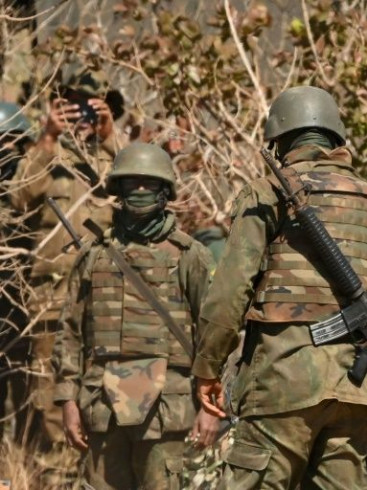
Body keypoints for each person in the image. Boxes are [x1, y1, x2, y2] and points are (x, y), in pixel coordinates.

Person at [192, 85, 367, 489]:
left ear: (279, 141)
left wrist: (208, 367)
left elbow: (229, 292)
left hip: (280, 383)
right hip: (354, 392)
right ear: (336, 138)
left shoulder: (267, 193)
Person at [52, 142, 218, 489]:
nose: (140, 190)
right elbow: (69, 332)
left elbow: (216, 339)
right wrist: (67, 399)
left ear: (165, 191)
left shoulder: (190, 256)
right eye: (131, 183)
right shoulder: (94, 256)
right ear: (118, 189)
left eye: (149, 183)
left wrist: (211, 409)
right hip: (103, 406)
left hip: (167, 409)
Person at [8, 68, 124, 483]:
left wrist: (111, 137)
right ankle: (57, 478)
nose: (82, 115)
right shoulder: (46, 155)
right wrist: (47, 137)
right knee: (53, 399)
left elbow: (143, 197)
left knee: (108, 395)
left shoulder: (117, 158)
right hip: (51, 301)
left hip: (108, 305)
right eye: (73, 105)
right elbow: (18, 196)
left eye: (91, 107)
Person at [0, 101, 35, 443]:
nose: (6, 151)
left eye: (12, 141)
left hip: (24, 301)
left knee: (28, 388)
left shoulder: (31, 191)